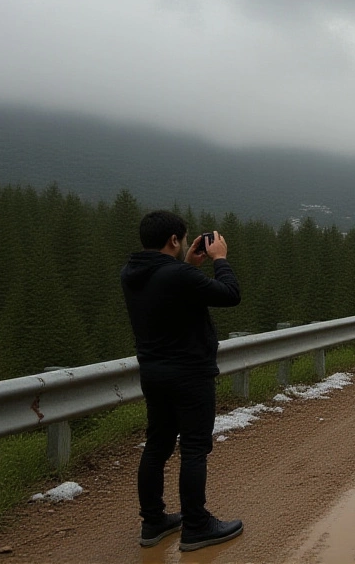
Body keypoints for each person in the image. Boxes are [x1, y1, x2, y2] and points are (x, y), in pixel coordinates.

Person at [121, 210, 244, 551]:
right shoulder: (177, 275)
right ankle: (197, 525)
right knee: (194, 448)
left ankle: (153, 521)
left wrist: (188, 264)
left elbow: (170, 291)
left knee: (157, 445)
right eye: (183, 238)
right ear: (174, 240)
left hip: (153, 372)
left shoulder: (131, 273)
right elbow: (230, 294)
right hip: (190, 373)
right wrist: (219, 259)